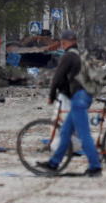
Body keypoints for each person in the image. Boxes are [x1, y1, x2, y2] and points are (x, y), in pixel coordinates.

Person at [37, 30, 102, 177]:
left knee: (84, 134)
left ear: (65, 42)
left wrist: (51, 96)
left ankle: (95, 166)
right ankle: (54, 163)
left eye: (62, 42)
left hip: (79, 97)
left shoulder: (68, 56)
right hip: (84, 96)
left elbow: (57, 77)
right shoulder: (81, 54)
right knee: (65, 132)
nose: (62, 44)